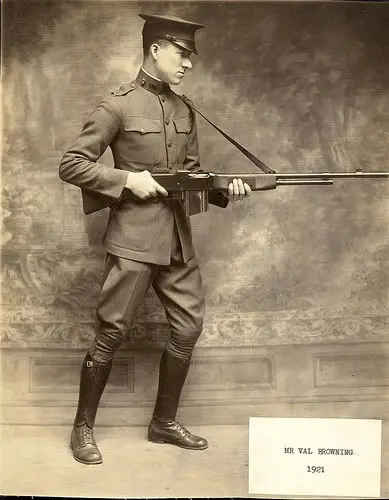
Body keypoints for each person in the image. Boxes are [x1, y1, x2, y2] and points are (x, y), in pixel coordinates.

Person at [59, 13, 251, 465]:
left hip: (177, 244)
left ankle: (163, 422)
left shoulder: (186, 110)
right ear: (156, 49)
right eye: (182, 55)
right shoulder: (117, 106)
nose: (188, 65)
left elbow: (191, 179)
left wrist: (225, 190)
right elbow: (71, 164)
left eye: (190, 57)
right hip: (133, 242)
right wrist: (127, 180)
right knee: (112, 332)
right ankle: (82, 429)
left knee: (188, 327)